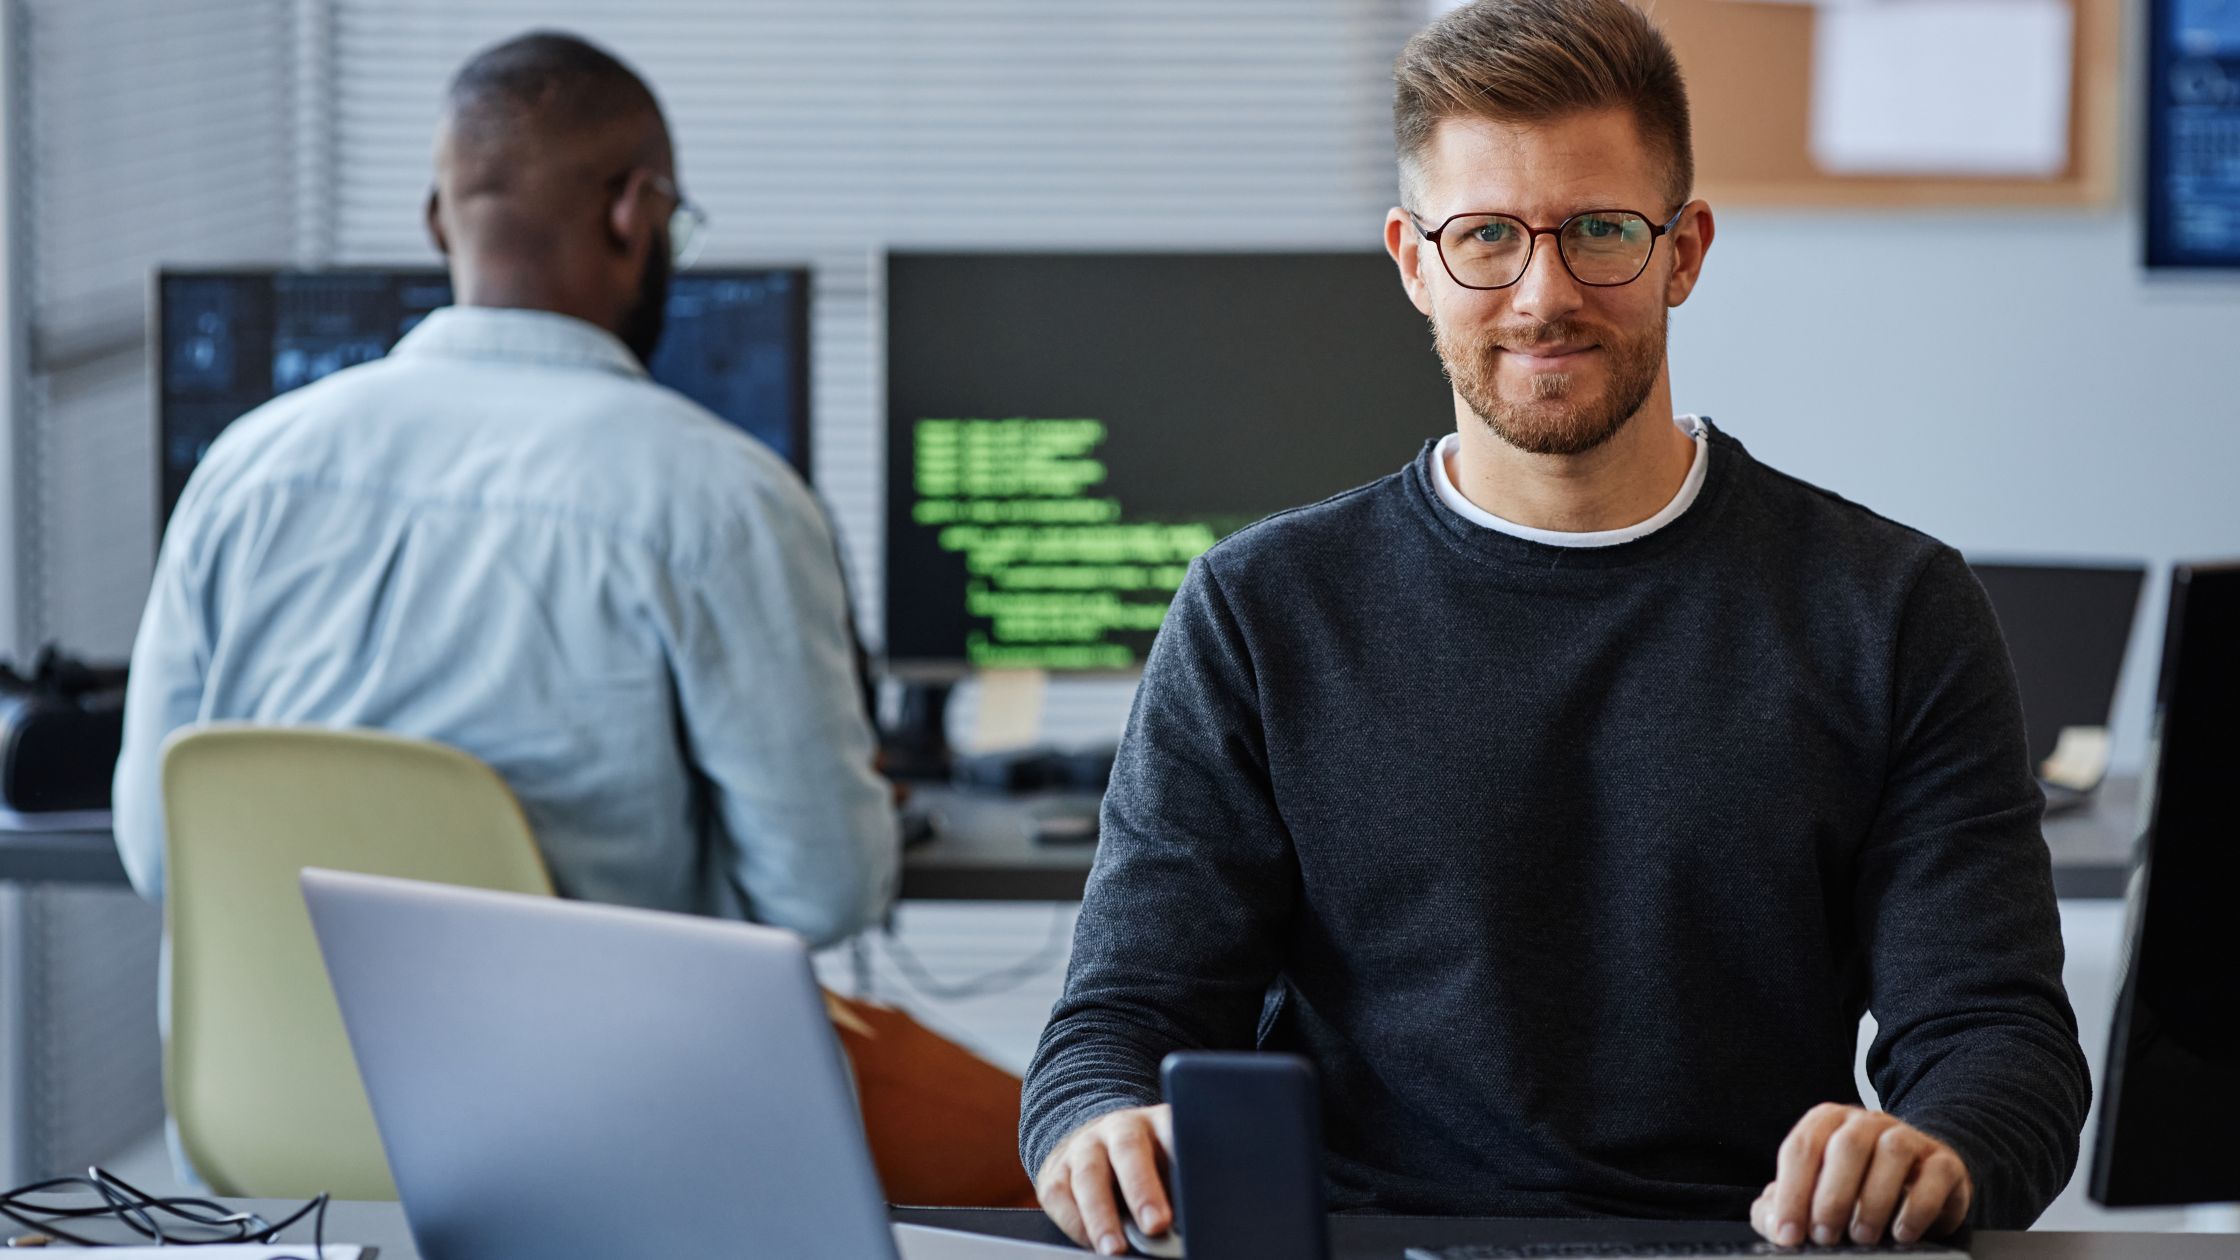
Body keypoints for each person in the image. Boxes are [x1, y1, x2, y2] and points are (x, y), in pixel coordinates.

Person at [1020, 0, 2090, 1252]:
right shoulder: (1261, 611)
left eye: (1597, 231)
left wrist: (1934, 1152)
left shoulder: (1892, 609)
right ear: (1413, 260)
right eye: (1483, 236)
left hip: (1748, 1241)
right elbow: (1120, 1020)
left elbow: (1997, 1044)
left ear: (1682, 250)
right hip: (1365, 1237)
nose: (1542, 294)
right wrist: (1096, 1121)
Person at [114, 31, 894, 942]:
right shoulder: (724, 503)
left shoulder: (242, 471)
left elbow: (157, 849)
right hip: (606, 1084)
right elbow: (828, 893)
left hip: (262, 1088)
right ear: (635, 213)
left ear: (439, 219)